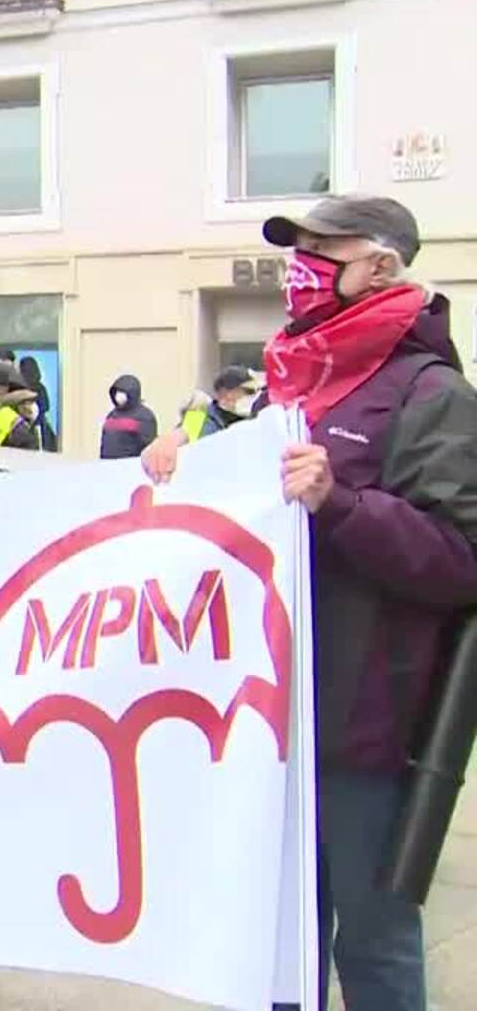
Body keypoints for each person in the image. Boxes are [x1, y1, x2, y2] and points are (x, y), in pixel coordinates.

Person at [142, 196, 477, 1011]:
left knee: (374, 943)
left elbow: (461, 562)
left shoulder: (430, 393)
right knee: (276, 942)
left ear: (382, 267)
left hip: (368, 729)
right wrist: (180, 466)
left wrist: (341, 503)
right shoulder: (290, 387)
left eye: (326, 250)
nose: (304, 268)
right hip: (269, 719)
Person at [174, 366, 259, 444]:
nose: (252, 397)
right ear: (226, 393)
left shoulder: (246, 424)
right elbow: (175, 445)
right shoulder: (196, 417)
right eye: (248, 392)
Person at [99, 374, 158, 459]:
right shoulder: (111, 415)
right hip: (108, 465)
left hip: (130, 467)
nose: (118, 396)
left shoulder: (144, 416)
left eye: (122, 392)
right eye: (117, 392)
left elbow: (150, 446)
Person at [18, 355, 59, 452]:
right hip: (42, 426)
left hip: (27, 427)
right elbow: (46, 406)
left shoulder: (21, 389)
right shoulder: (41, 387)